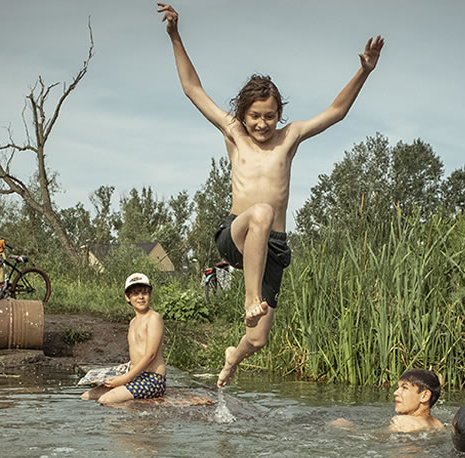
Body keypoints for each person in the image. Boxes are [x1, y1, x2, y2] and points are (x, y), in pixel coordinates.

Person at [157, 3, 384, 388]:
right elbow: (192, 88)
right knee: (261, 211)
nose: (262, 124)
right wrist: (176, 35)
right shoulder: (234, 133)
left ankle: (234, 356)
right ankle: (249, 299)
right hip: (237, 234)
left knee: (259, 339)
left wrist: (363, 71)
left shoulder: (290, 137)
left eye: (269, 116)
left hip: (272, 247)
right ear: (242, 113)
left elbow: (336, 112)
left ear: (279, 113)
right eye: (255, 116)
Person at [81, 273, 167, 404]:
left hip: (152, 379)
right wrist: (118, 373)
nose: (141, 297)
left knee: (106, 400)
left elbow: (151, 355)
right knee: (87, 396)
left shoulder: (154, 318)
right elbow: (136, 354)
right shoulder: (133, 322)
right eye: (136, 293)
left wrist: (124, 379)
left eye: (145, 293)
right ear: (128, 297)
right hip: (134, 375)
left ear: (150, 295)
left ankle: (129, 423)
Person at [330, 368, 445, 433]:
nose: (396, 392)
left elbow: (373, 439)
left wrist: (349, 428)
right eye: (398, 387)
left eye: (404, 388)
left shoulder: (402, 422)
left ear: (424, 396)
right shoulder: (439, 425)